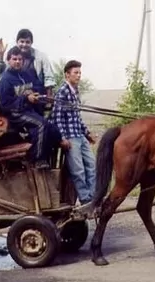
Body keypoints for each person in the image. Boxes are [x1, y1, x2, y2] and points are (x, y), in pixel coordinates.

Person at [0, 46, 66, 169]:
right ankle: (37, 160)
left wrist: (38, 93)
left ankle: (60, 141)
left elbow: (38, 86)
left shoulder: (27, 74)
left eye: (20, 59)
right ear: (9, 61)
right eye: (14, 59)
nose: (17, 62)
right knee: (41, 124)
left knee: (49, 126)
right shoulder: (5, 80)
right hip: (14, 114)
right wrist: (26, 98)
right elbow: (6, 104)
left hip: (29, 111)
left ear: (23, 61)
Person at [49, 60, 96, 207]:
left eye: (80, 73)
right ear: (67, 75)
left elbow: (77, 117)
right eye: (76, 73)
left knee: (92, 165)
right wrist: (62, 138)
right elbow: (57, 117)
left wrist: (87, 133)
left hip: (80, 136)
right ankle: (85, 199)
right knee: (78, 171)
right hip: (70, 137)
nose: (79, 75)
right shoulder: (62, 91)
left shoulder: (76, 91)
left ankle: (94, 197)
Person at [0, 29, 56, 113]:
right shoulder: (11, 55)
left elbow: (49, 77)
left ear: (31, 43)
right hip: (15, 97)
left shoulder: (40, 56)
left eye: (27, 42)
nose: (24, 45)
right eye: (22, 41)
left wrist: (48, 97)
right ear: (17, 42)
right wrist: (0, 54)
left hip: (34, 93)